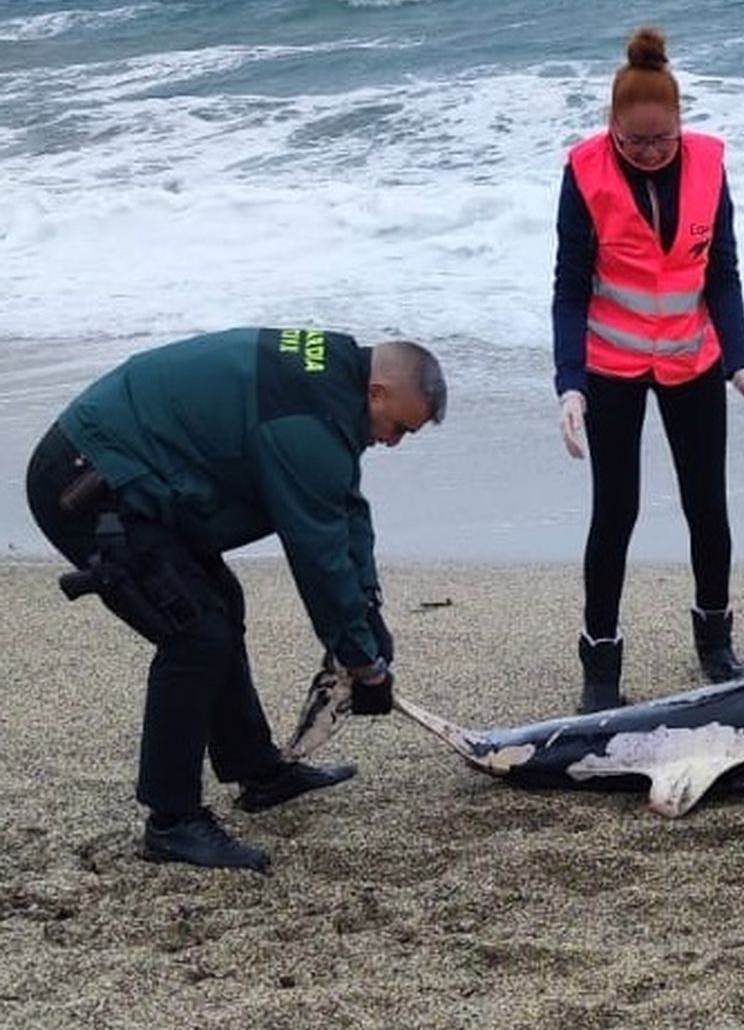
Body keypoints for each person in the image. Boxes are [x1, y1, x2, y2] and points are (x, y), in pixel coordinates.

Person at [25, 328, 447, 873]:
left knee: (220, 604)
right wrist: (362, 662)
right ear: (378, 392)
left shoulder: (332, 384)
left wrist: (369, 609)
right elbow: (318, 556)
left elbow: (345, 508)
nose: (394, 442)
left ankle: (257, 771)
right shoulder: (306, 424)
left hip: (140, 473)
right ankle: (171, 821)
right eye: (399, 428)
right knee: (196, 634)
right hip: (87, 484)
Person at [552, 27, 744, 713]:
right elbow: (570, 288)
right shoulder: (585, 171)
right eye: (635, 141)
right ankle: (600, 662)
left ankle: (715, 639)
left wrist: (741, 365)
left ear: (681, 123)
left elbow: (723, 275)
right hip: (612, 362)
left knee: (706, 503)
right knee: (615, 510)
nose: (650, 152)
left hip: (691, 356)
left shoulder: (708, 164)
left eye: (662, 139)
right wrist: (571, 384)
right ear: (611, 126)